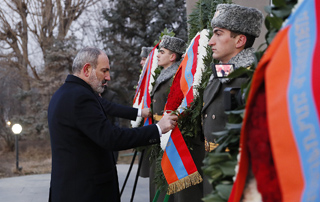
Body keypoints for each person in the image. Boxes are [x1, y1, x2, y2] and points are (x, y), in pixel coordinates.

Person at [47, 47, 178, 202]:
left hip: (71, 189)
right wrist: (158, 129)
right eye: (104, 71)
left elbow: (109, 109)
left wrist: (139, 113)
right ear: (87, 69)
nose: (108, 77)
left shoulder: (67, 92)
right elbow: (111, 137)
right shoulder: (80, 97)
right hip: (85, 192)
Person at [201, 4, 263, 195]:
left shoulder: (251, 78)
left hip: (236, 178)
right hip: (215, 171)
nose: (211, 42)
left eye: (218, 34)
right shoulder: (219, 74)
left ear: (240, 41)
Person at [149, 35, 185, 202]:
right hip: (159, 130)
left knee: (165, 180)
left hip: (168, 134)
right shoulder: (164, 74)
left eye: (162, 52)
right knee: (157, 179)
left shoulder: (175, 76)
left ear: (172, 57)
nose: (157, 55)